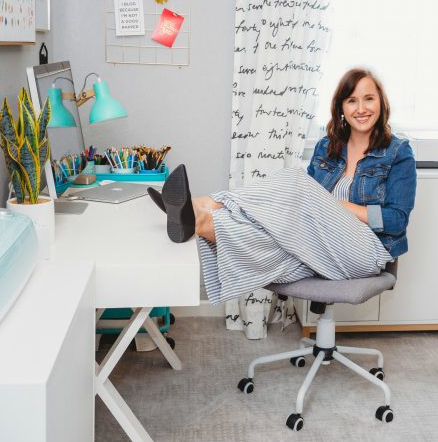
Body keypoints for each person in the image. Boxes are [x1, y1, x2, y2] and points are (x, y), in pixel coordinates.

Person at [149, 68, 417, 304]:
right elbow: (300, 210)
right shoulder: (328, 147)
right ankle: (200, 223)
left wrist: (333, 205)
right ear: (341, 109)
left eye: (369, 98)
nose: (361, 109)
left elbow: (396, 221)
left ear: (381, 101)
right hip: (321, 243)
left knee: (296, 181)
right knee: (267, 238)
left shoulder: (398, 152)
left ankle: (206, 203)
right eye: (352, 101)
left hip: (366, 252)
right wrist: (317, 207)